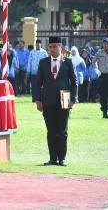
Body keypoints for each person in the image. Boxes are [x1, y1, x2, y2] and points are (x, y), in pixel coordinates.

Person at [34, 36, 77, 167]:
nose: (53, 49)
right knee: (51, 131)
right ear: (48, 48)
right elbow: (37, 83)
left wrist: (73, 100)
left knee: (62, 131)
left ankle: (62, 158)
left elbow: (74, 82)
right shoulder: (43, 62)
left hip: (65, 100)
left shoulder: (68, 62)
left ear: (60, 47)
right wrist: (37, 100)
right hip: (47, 101)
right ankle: (53, 158)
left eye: (56, 46)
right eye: (51, 47)